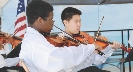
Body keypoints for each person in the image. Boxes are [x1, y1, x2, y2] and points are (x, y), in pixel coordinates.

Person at [19, 1, 121, 72]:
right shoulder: (35, 42)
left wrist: (105, 49)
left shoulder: (35, 38)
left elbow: (74, 64)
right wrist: (88, 47)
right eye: (51, 20)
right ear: (40, 20)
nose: (53, 23)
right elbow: (59, 59)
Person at [60, 7, 121, 71]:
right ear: (65, 23)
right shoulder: (61, 42)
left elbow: (96, 60)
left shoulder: (81, 39)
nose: (79, 25)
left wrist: (110, 48)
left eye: (80, 21)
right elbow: (73, 64)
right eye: (76, 22)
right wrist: (89, 48)